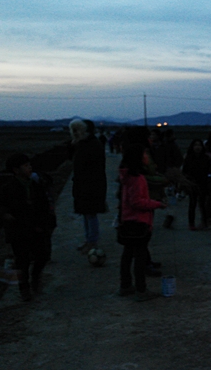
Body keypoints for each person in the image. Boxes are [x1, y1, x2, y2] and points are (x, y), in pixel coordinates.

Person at [0, 154, 56, 301]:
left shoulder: (36, 186)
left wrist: (45, 224)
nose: (30, 168)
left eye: (30, 165)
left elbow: (44, 207)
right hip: (19, 231)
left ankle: (35, 277)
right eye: (26, 166)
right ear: (16, 170)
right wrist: (5, 214)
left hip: (37, 229)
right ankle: (24, 289)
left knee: (42, 256)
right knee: (22, 261)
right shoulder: (8, 188)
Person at [117, 143, 167, 301]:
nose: (147, 157)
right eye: (144, 154)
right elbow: (137, 202)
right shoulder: (137, 179)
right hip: (139, 222)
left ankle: (125, 286)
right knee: (139, 257)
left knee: (127, 255)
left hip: (127, 220)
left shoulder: (126, 176)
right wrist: (157, 204)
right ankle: (141, 290)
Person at [68, 119, 107, 254]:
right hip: (83, 184)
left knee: (90, 213)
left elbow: (94, 168)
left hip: (91, 185)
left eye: (77, 130)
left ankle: (92, 241)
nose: (75, 133)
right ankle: (89, 240)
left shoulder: (92, 145)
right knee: (86, 213)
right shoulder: (82, 144)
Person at [182, 139, 211, 231]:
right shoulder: (189, 157)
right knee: (192, 203)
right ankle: (191, 223)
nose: (197, 147)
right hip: (192, 184)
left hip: (203, 183)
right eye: (195, 145)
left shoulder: (206, 158)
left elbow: (209, 170)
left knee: (203, 204)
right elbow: (184, 171)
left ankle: (204, 222)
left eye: (199, 145)